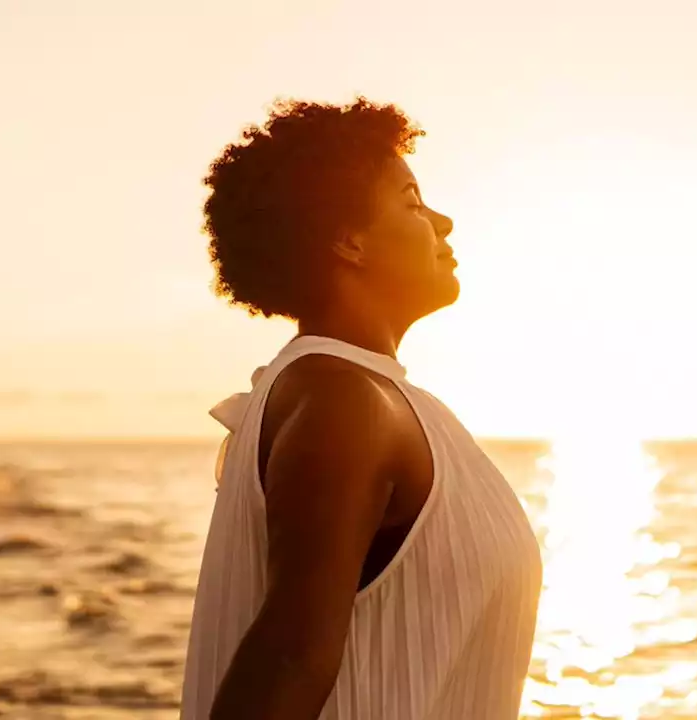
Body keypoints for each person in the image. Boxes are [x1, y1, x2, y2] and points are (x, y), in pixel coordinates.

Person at [181, 97, 542, 720]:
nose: (443, 221)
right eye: (411, 201)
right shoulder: (344, 403)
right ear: (348, 241)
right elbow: (289, 663)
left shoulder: (358, 393)